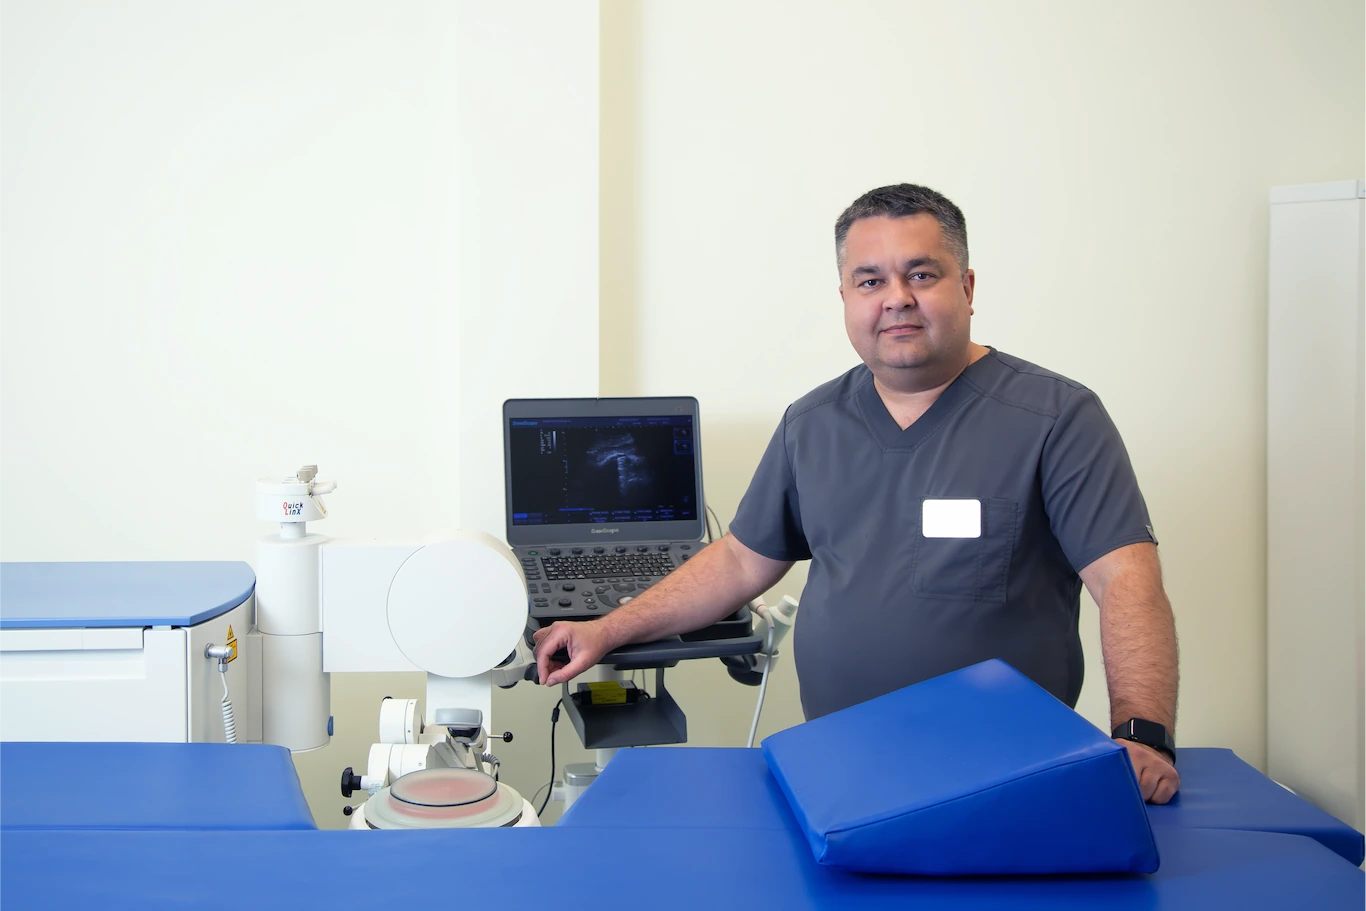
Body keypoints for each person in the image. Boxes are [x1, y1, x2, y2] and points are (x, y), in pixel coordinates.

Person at [533, 183, 1180, 804]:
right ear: (845, 296)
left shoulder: (1056, 418)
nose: (896, 298)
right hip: (842, 771)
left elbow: (1126, 578)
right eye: (870, 281)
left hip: (1004, 775)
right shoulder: (812, 423)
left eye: (921, 274)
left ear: (967, 286)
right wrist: (606, 629)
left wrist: (1141, 734)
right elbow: (738, 562)